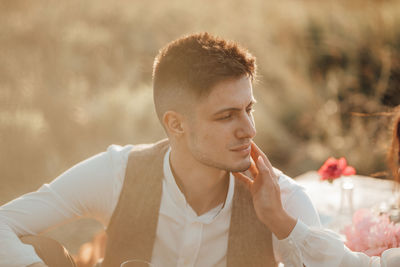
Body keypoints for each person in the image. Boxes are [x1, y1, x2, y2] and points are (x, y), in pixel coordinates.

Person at [0, 32, 396, 267]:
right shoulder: (117, 173)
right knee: (41, 249)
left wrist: (281, 225)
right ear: (175, 124)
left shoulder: (283, 201)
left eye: (249, 109)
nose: (249, 129)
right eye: (226, 116)